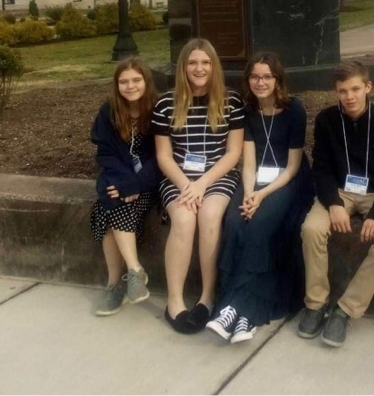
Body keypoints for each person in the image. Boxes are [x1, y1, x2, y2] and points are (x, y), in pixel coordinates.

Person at [206, 52, 314, 343]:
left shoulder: (295, 110)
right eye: (255, 76)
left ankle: (242, 310)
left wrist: (262, 195)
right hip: (255, 180)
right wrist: (249, 194)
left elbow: (292, 166)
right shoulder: (248, 110)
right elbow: (249, 163)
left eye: (267, 76)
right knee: (234, 221)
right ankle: (232, 309)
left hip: (287, 181)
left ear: (278, 80)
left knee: (259, 224)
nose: (260, 82)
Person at [298, 60, 374, 348]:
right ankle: (316, 303)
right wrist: (333, 203)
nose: (349, 96)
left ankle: (345, 309)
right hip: (339, 192)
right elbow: (321, 167)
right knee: (311, 229)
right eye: (343, 91)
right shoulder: (326, 120)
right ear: (336, 92)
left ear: (368, 87)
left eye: (355, 89)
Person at [154, 38, 244, 334]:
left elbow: (233, 153)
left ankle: (207, 297)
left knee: (209, 215)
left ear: (214, 66)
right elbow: (164, 156)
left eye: (205, 62)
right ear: (183, 67)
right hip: (178, 178)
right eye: (192, 62)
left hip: (217, 176)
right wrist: (186, 185)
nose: (199, 68)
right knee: (183, 218)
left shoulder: (232, 101)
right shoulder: (165, 104)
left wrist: (203, 184)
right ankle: (175, 301)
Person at [90, 58, 161, 316]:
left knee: (109, 211)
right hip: (118, 179)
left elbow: (163, 158)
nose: (130, 86)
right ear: (116, 84)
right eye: (124, 81)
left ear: (146, 81)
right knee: (110, 203)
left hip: (151, 183)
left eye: (136, 80)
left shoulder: (159, 109)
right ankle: (133, 272)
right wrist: (122, 183)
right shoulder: (109, 112)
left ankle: (116, 285)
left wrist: (134, 184)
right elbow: (105, 153)